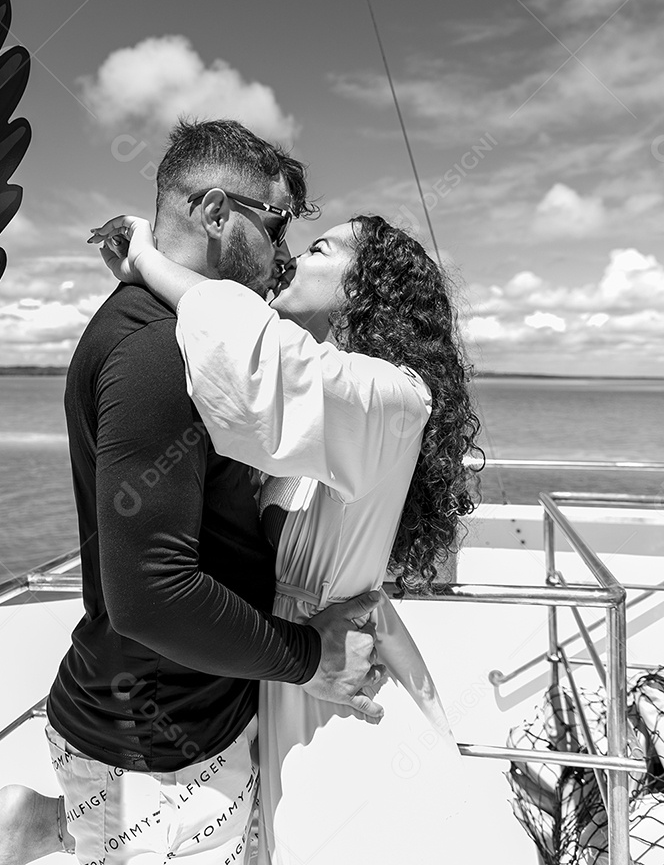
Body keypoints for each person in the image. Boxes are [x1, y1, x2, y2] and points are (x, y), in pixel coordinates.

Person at [0, 119, 384, 865]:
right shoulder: (155, 350)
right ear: (217, 214)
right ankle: (45, 824)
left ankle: (39, 825)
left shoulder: (186, 333)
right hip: (152, 749)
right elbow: (150, 595)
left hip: (196, 712)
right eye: (277, 224)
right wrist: (312, 659)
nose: (282, 253)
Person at [83, 207, 485, 863]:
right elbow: (242, 371)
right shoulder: (319, 405)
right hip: (287, 658)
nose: (295, 257)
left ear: (366, 288)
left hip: (334, 676)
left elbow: (258, 346)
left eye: (322, 249)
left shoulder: (394, 395)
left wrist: (150, 261)